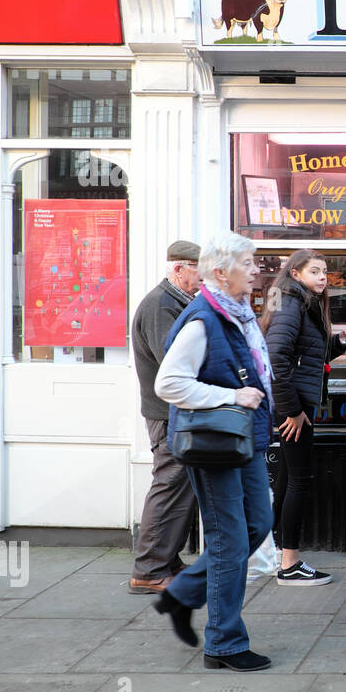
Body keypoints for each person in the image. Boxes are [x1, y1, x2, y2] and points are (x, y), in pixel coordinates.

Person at [153, 232, 274, 672]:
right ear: (221, 272)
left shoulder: (237, 314)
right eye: (249, 263)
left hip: (245, 443)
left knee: (258, 523)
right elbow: (168, 384)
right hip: (215, 445)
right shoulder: (203, 319)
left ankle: (182, 596)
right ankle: (223, 643)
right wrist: (230, 398)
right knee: (229, 539)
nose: (256, 270)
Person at [262, 249, 346, 586]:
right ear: (295, 274)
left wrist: (337, 346)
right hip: (295, 407)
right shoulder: (291, 302)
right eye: (315, 271)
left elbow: (304, 351)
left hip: (296, 404)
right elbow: (276, 357)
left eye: (325, 271)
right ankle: (290, 563)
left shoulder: (300, 302)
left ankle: (278, 555)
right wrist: (293, 411)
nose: (323, 277)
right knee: (298, 479)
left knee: (287, 478)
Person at [128, 240, 202, 595]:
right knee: (169, 484)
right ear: (178, 268)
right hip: (167, 413)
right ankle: (148, 569)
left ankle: (166, 560)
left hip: (175, 411)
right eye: (198, 270)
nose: (203, 278)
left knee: (180, 487)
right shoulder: (161, 305)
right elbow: (173, 361)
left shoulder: (178, 301)